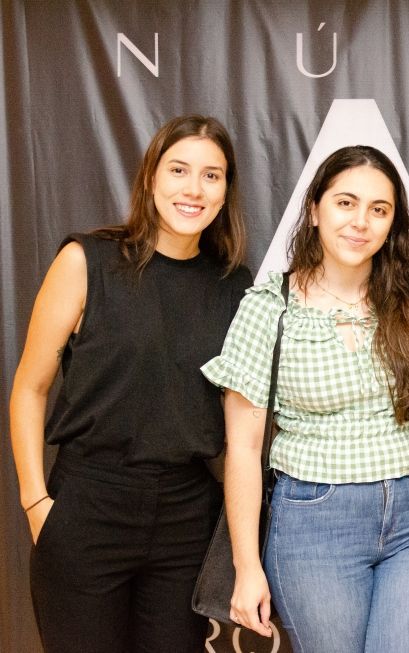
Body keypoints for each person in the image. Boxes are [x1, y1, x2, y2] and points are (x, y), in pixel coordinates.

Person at [202, 144, 409, 652]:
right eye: (345, 203)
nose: (361, 222)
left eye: (379, 210)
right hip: (313, 521)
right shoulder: (272, 305)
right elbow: (243, 448)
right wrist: (247, 567)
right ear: (314, 211)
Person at [8, 115, 251, 652]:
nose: (193, 188)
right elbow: (29, 387)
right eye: (179, 170)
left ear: (226, 191)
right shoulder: (86, 261)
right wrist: (36, 505)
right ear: (150, 178)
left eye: (211, 176)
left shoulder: (235, 286)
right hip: (89, 504)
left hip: (188, 517)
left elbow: (242, 427)